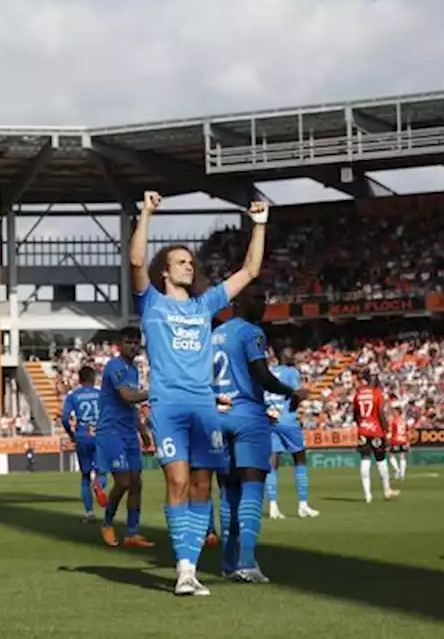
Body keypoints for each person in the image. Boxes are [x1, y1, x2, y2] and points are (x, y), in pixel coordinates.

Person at [129, 189, 269, 596]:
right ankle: (184, 569)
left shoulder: (204, 305)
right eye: (180, 262)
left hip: (204, 406)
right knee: (177, 483)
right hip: (168, 405)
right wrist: (147, 213)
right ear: (165, 272)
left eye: (191, 262)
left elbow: (250, 271)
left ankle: (190, 565)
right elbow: (137, 259)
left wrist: (259, 225)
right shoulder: (152, 303)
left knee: (202, 486)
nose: (189, 266)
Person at [213, 294, 309, 583]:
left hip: (219, 415)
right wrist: (290, 391)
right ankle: (246, 562)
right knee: (252, 487)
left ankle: (228, 563)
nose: (263, 305)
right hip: (247, 416)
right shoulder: (252, 332)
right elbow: (262, 375)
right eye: (259, 300)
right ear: (243, 304)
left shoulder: (216, 334)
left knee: (228, 491)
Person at [96, 326, 155, 548]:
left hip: (128, 432)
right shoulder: (115, 367)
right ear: (120, 344)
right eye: (128, 342)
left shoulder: (134, 370)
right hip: (111, 431)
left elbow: (130, 406)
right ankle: (107, 523)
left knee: (136, 482)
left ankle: (132, 532)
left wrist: (141, 429)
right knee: (123, 481)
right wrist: (154, 391)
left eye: (136, 342)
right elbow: (127, 397)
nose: (133, 346)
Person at [265, 359, 318, 520]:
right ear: (288, 358)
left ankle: (273, 506)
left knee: (273, 462)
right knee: (300, 458)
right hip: (287, 420)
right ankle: (303, 504)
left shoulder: (268, 371)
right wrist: (304, 394)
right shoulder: (291, 372)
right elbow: (295, 396)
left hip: (269, 419)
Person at [61, 366, 108, 520]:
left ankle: (89, 512)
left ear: (80, 379)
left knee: (85, 476)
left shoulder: (73, 395)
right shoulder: (101, 394)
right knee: (102, 471)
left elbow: (64, 418)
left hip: (82, 435)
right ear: (93, 378)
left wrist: (71, 434)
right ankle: (99, 485)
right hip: (100, 435)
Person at [353, 373, 398, 503]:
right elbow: (380, 411)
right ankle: (387, 490)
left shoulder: (358, 394)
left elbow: (355, 413)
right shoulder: (377, 393)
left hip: (363, 430)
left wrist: (361, 425)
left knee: (365, 460)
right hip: (376, 430)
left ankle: (367, 495)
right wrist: (386, 429)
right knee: (381, 461)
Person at [387, 403, 410, 481]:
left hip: (395, 440)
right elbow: (407, 432)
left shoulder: (394, 421)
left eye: (394, 412)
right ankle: (402, 474)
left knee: (391, 456)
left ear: (397, 412)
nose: (393, 413)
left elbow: (392, 432)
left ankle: (397, 470)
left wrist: (389, 440)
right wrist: (407, 441)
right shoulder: (404, 421)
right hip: (403, 440)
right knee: (403, 457)